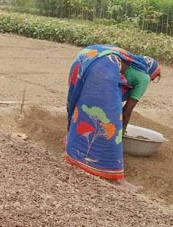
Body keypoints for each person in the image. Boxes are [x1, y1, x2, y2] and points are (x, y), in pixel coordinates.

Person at [65, 45, 161, 193]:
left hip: (88, 56)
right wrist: (120, 135)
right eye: (155, 78)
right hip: (104, 66)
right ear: (153, 74)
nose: (152, 80)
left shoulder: (130, 62)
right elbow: (127, 111)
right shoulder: (145, 77)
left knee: (83, 108)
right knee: (111, 123)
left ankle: (73, 151)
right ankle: (115, 178)